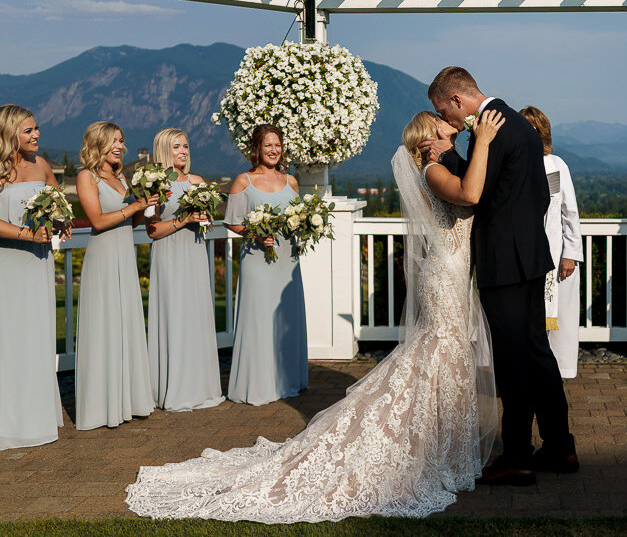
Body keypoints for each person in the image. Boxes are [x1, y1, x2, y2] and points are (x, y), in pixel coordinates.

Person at [125, 109, 504, 521]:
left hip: (448, 268)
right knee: (441, 350)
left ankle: (444, 443)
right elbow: (470, 194)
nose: (456, 124)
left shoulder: (438, 163)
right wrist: (480, 141)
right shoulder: (432, 170)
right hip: (445, 271)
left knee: (444, 353)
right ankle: (432, 445)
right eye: (446, 124)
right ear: (429, 136)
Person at [425, 66, 577, 486]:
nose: (448, 120)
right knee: (537, 355)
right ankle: (560, 446)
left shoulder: (492, 130)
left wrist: (446, 156)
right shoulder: (519, 125)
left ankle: (517, 458)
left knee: (512, 365)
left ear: (456, 100)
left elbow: (476, 194)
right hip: (529, 258)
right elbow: (521, 191)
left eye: (445, 110)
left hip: (504, 264)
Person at [75, 121, 157, 430]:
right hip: (103, 259)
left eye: (122, 140)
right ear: (98, 144)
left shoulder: (121, 176)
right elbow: (96, 220)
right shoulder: (87, 176)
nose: (120, 146)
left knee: (125, 323)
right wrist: (134, 204)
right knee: (104, 325)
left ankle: (128, 399)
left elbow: (129, 222)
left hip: (125, 256)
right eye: (114, 141)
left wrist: (146, 205)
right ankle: (100, 406)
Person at [222, 124, 307, 406]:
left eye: (278, 145)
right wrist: (255, 234)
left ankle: (287, 380)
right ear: (257, 148)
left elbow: (299, 217)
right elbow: (233, 221)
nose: (274, 150)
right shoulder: (243, 181)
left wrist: (305, 228)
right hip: (257, 259)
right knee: (259, 318)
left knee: (286, 318)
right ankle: (257, 385)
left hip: (287, 260)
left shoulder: (291, 181)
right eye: (268, 145)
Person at [145, 128, 224, 412]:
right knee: (174, 316)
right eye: (177, 146)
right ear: (165, 150)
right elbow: (152, 231)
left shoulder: (198, 181)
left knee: (196, 316)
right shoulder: (155, 185)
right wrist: (185, 219)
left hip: (194, 254)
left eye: (186, 146)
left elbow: (207, 219)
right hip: (168, 256)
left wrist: (205, 217)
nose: (184, 151)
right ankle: (173, 389)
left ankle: (200, 387)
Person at [0, 105, 65, 449]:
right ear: (10, 134)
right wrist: (27, 235)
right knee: (8, 338)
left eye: (36, 128)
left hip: (38, 263)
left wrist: (61, 223)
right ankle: (9, 421)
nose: (36, 134)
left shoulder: (41, 166)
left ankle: (36, 415)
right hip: (6, 266)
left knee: (36, 335)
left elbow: (57, 205)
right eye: (28, 131)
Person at [520, 105, 583, 379]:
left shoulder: (556, 165)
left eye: (533, 127)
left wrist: (570, 253)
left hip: (557, 255)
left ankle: (556, 372)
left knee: (559, 317)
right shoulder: (514, 164)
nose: (529, 132)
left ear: (542, 131)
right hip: (524, 253)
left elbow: (569, 212)